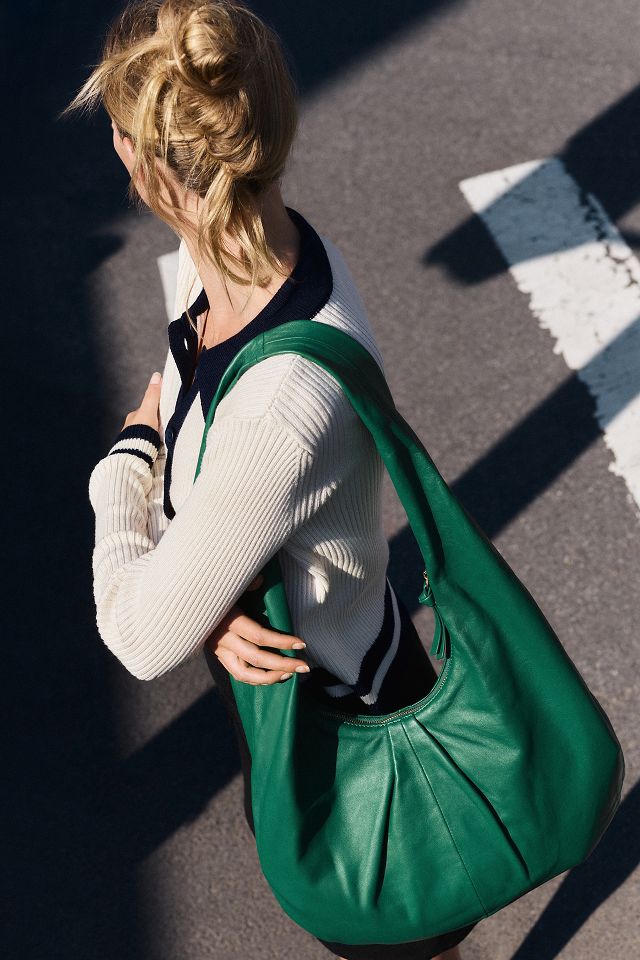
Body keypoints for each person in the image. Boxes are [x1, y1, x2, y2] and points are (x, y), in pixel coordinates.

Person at [62, 2, 478, 958]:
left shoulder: (287, 398)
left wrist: (123, 466)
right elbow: (191, 392)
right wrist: (210, 603)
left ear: (142, 164)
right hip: (298, 689)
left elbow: (134, 634)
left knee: (397, 938)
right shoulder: (239, 256)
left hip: (359, 745)